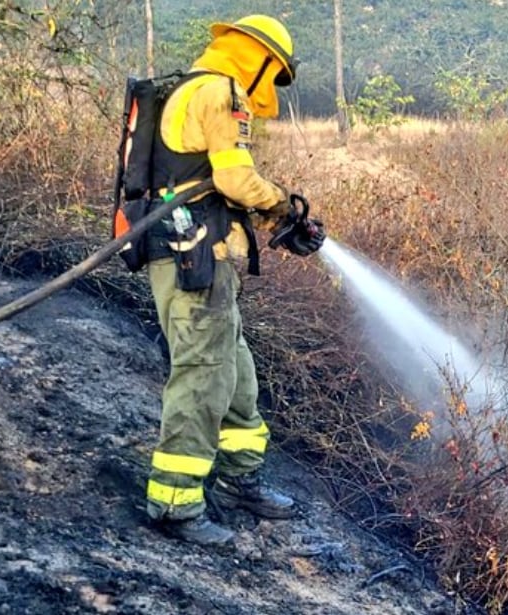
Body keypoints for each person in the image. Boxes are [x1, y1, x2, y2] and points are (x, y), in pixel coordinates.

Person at [142, 14, 325, 546]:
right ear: (259, 57)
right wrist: (282, 206)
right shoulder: (221, 91)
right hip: (193, 258)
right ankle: (175, 503)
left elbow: (205, 181)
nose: (271, 86)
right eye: (276, 72)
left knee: (235, 371)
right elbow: (234, 177)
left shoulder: (189, 87)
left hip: (197, 254)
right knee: (202, 374)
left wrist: (272, 219)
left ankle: (241, 478)